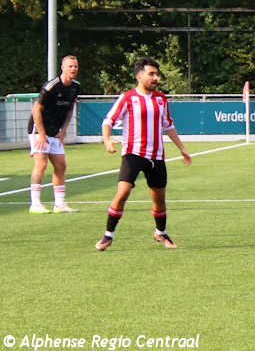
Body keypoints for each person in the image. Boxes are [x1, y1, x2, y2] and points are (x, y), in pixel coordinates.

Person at [95, 57, 192, 251]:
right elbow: (108, 121)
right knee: (122, 192)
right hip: (133, 154)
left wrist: (182, 148)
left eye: (157, 74)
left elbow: (168, 125)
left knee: (159, 198)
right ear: (139, 76)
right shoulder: (128, 97)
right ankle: (108, 235)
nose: (156, 78)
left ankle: (160, 232)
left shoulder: (161, 99)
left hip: (157, 157)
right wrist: (107, 140)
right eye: (151, 74)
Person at [27, 55, 81, 214]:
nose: (73, 69)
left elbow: (70, 109)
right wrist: (41, 134)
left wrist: (63, 131)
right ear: (62, 68)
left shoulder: (76, 87)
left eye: (75, 66)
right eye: (70, 66)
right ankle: (35, 204)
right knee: (41, 164)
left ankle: (59, 204)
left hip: (55, 131)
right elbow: (36, 109)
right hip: (38, 129)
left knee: (61, 165)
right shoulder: (52, 86)